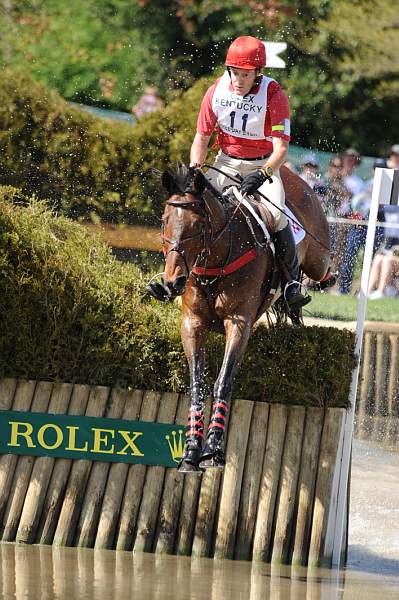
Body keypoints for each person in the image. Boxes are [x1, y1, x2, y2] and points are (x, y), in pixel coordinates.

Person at [189, 35, 309, 309]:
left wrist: (264, 173)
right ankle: (175, 274)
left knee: (277, 215)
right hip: (225, 162)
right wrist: (196, 170)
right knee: (193, 206)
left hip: (263, 163)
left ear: (258, 73)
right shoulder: (216, 91)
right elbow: (201, 139)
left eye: (245, 74)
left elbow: (281, 150)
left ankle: (291, 283)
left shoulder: (274, 95)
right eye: (235, 73)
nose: (238, 80)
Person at [338, 158, 386, 294]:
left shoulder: (390, 187)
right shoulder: (366, 185)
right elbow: (356, 203)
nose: (378, 171)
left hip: (378, 225)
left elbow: (389, 209)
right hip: (361, 224)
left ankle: (367, 291)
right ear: (373, 170)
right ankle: (344, 289)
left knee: (371, 259)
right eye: (376, 168)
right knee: (350, 255)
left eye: (381, 168)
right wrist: (358, 215)